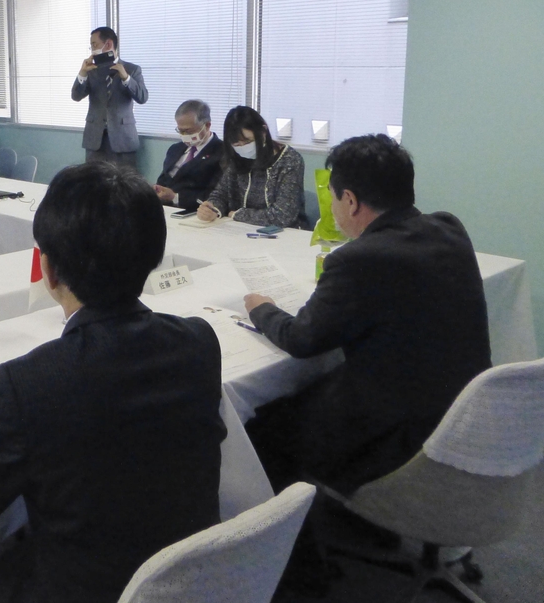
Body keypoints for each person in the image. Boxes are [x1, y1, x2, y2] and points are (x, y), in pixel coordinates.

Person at [0, 161, 226, 603]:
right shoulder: (198, 341)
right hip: (191, 581)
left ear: (50, 271)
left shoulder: (28, 382)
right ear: (153, 257)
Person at [242, 134, 491, 496]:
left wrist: (261, 309)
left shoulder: (358, 259)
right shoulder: (448, 228)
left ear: (351, 201)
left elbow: (302, 339)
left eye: (332, 195)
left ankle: (303, 541)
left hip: (398, 432)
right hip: (462, 414)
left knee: (262, 422)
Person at [197, 105, 306, 228]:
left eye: (248, 141)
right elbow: (221, 194)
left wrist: (238, 214)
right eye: (236, 143)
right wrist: (213, 209)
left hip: (284, 233)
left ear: (263, 131)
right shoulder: (236, 158)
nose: (243, 147)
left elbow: (283, 215)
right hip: (240, 229)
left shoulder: (289, 160)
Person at [71, 27, 148, 168]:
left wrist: (126, 78)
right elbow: (76, 96)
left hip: (123, 138)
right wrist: (82, 73)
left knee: (125, 184)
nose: (92, 49)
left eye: (94, 45)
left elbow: (142, 97)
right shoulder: (91, 70)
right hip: (95, 139)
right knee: (94, 183)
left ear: (108, 44)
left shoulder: (132, 69)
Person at [153, 99, 224, 211]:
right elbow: (163, 180)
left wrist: (175, 197)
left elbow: (217, 194)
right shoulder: (175, 149)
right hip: (163, 209)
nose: (184, 136)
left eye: (189, 131)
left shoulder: (221, 152)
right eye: (180, 131)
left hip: (194, 211)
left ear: (207, 125)